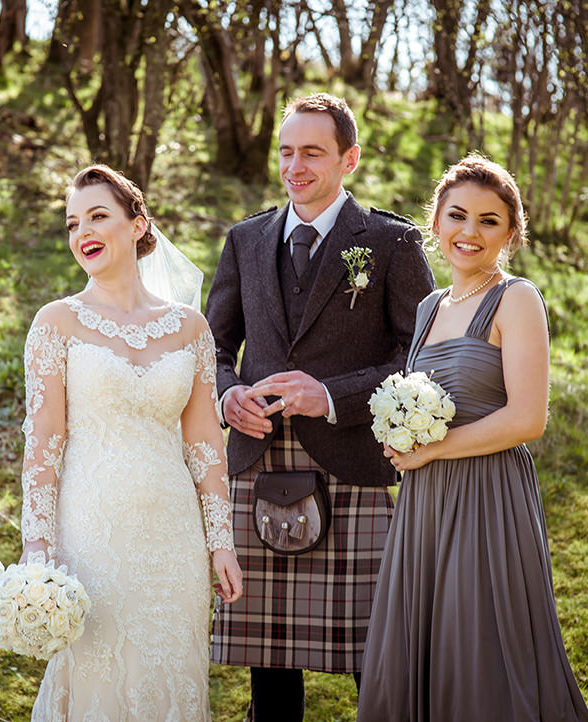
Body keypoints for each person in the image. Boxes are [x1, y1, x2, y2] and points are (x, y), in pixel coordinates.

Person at [207, 93, 436, 719]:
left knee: (377, 661)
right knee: (271, 671)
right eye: (286, 151)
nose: (295, 166)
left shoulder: (390, 241)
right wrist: (228, 397)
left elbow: (418, 357)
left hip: (352, 463)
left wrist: (333, 396)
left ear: (349, 159)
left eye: (312, 152)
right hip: (256, 462)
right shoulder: (246, 239)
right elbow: (211, 347)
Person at [356, 155, 588, 721]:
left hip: (488, 497)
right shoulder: (429, 307)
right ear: (435, 222)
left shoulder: (517, 300)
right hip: (425, 503)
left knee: (478, 638)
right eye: (458, 216)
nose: (470, 232)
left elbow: (526, 419)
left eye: (490, 220)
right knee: (422, 637)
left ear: (511, 232)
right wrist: (400, 438)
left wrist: (432, 448)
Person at [20, 164, 243, 720]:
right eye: (73, 223)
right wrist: (37, 545)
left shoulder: (191, 328)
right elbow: (43, 444)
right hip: (90, 531)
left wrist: (221, 542)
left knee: (170, 673)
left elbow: (205, 444)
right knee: (99, 676)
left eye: (98, 216)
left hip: (175, 538)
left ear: (139, 225)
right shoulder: (55, 324)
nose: (82, 233)